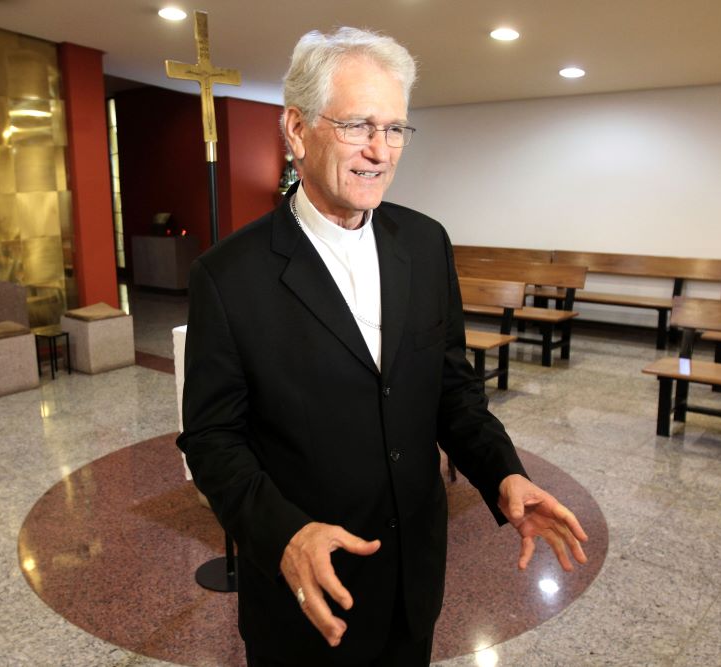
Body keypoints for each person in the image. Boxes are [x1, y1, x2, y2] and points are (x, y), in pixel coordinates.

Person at [178, 26, 588, 667]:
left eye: (395, 128)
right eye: (358, 125)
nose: (380, 149)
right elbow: (210, 440)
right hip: (307, 593)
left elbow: (452, 389)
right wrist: (284, 535)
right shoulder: (229, 276)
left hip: (413, 580)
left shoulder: (425, 244)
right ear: (296, 129)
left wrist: (504, 472)